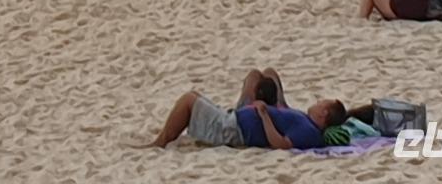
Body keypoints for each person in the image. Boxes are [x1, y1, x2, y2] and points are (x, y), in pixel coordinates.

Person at [143, 68, 346, 151]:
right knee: (261, 74)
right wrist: (276, 107)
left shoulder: (309, 131)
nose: (318, 101)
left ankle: (160, 143)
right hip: (244, 115)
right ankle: (236, 109)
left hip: (235, 129)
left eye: (322, 102)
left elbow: (281, 145)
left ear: (324, 113)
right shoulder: (305, 121)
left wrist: (265, 115)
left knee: (190, 99)